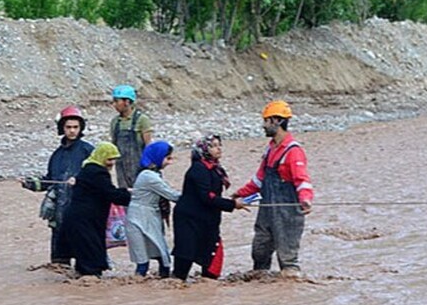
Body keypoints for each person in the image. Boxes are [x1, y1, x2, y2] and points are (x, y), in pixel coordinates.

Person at [233, 100, 315, 278]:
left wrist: (306, 199)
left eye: (266, 121)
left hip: (288, 213)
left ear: (277, 121)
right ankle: (261, 285)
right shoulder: (270, 149)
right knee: (259, 251)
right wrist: (238, 194)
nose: (263, 125)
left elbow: (302, 179)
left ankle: (289, 293)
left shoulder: (293, 151)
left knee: (288, 259)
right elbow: (259, 181)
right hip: (267, 210)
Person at [20, 105, 94, 265]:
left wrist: (81, 181)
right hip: (60, 214)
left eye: (76, 127)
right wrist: (29, 183)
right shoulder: (56, 155)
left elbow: (100, 178)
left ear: (81, 128)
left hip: (82, 213)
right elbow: (48, 181)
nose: (72, 131)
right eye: (69, 127)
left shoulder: (89, 151)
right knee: (59, 265)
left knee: (86, 262)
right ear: (62, 128)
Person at [172, 135, 245, 282]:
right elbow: (207, 197)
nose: (218, 148)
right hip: (189, 219)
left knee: (213, 257)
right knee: (185, 257)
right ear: (203, 150)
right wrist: (232, 205)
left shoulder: (215, 168)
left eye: (219, 145)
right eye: (213, 146)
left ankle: (207, 290)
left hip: (207, 219)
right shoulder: (198, 169)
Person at [63, 141, 132, 277]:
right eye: (109, 158)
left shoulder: (88, 168)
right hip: (86, 219)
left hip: (81, 218)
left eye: (114, 159)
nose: (112, 162)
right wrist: (129, 195)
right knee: (91, 256)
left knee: (85, 254)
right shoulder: (98, 173)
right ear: (102, 157)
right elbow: (110, 194)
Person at [126, 140, 180, 277]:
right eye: (168, 158)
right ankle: (163, 284)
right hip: (141, 217)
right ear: (157, 157)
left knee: (153, 255)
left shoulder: (150, 174)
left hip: (145, 216)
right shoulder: (149, 177)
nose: (170, 162)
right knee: (151, 257)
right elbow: (172, 195)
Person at [108, 84, 153, 189]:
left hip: (139, 167)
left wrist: (148, 166)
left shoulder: (142, 120)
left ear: (127, 102)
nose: (114, 104)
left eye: (116, 101)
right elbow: (113, 146)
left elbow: (148, 145)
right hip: (121, 168)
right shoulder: (115, 122)